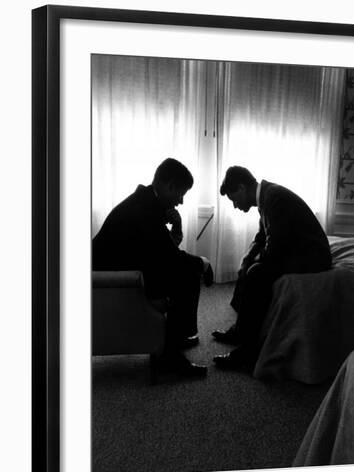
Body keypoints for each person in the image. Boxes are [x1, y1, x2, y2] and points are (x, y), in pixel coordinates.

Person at [93, 158, 213, 377]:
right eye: (181, 194)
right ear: (170, 186)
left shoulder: (146, 202)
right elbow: (169, 257)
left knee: (184, 270)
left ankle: (174, 340)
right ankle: (170, 359)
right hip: (114, 279)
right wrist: (202, 263)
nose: (181, 201)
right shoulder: (145, 209)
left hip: (125, 268)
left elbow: (161, 250)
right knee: (188, 275)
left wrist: (176, 226)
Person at [212, 166, 332, 370]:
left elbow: (276, 245)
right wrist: (248, 258)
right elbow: (262, 237)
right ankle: (241, 331)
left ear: (242, 188)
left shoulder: (275, 198)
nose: (235, 206)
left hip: (312, 256)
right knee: (250, 265)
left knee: (257, 274)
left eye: (234, 199)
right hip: (297, 249)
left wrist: (255, 263)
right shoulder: (267, 197)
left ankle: (248, 354)